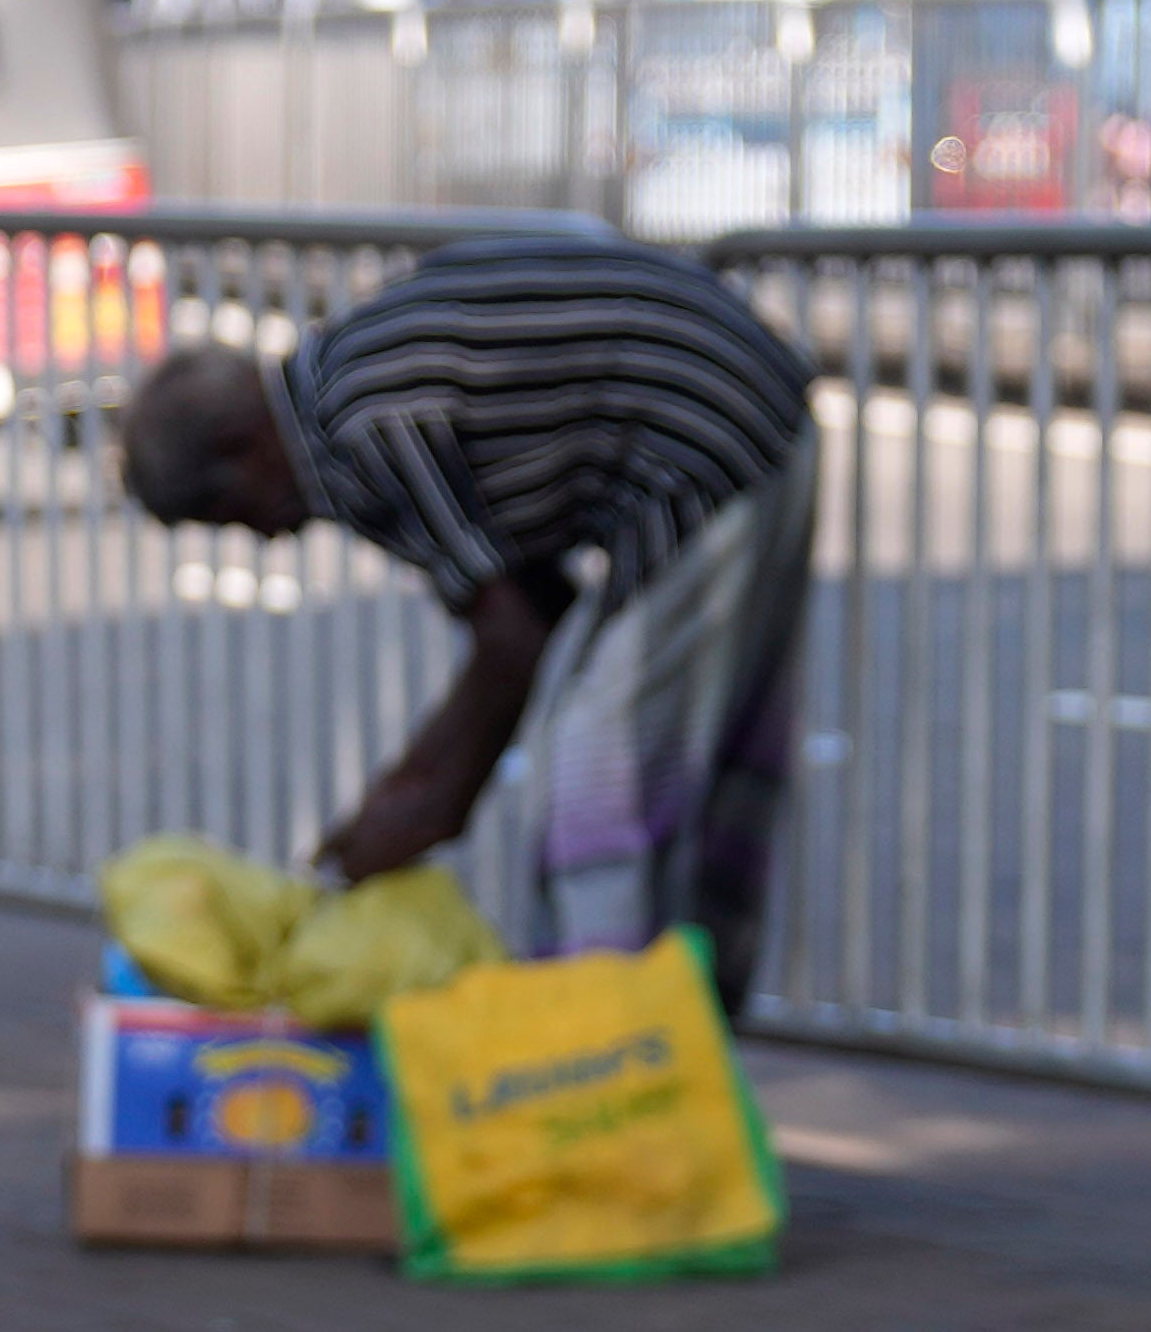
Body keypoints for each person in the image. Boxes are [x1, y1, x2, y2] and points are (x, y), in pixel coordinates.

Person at [115, 225, 818, 1015]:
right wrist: (419, 793)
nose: (265, 539)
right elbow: (535, 609)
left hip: (710, 436)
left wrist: (414, 807)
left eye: (230, 516)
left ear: (241, 447)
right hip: (732, 412)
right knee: (634, 754)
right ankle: (675, 1020)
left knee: (597, 785)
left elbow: (511, 642)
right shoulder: (337, 391)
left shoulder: (360, 430)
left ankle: (609, 1049)